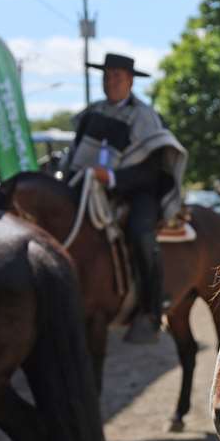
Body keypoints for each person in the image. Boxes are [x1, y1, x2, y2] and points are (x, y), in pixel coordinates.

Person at [66, 53, 187, 344]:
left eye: (117, 76)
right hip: (88, 187)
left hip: (138, 190)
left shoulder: (145, 115)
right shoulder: (91, 113)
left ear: (130, 81)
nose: (110, 81)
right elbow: (76, 154)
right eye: (106, 76)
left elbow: (151, 168)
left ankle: (151, 308)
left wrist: (114, 178)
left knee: (140, 232)